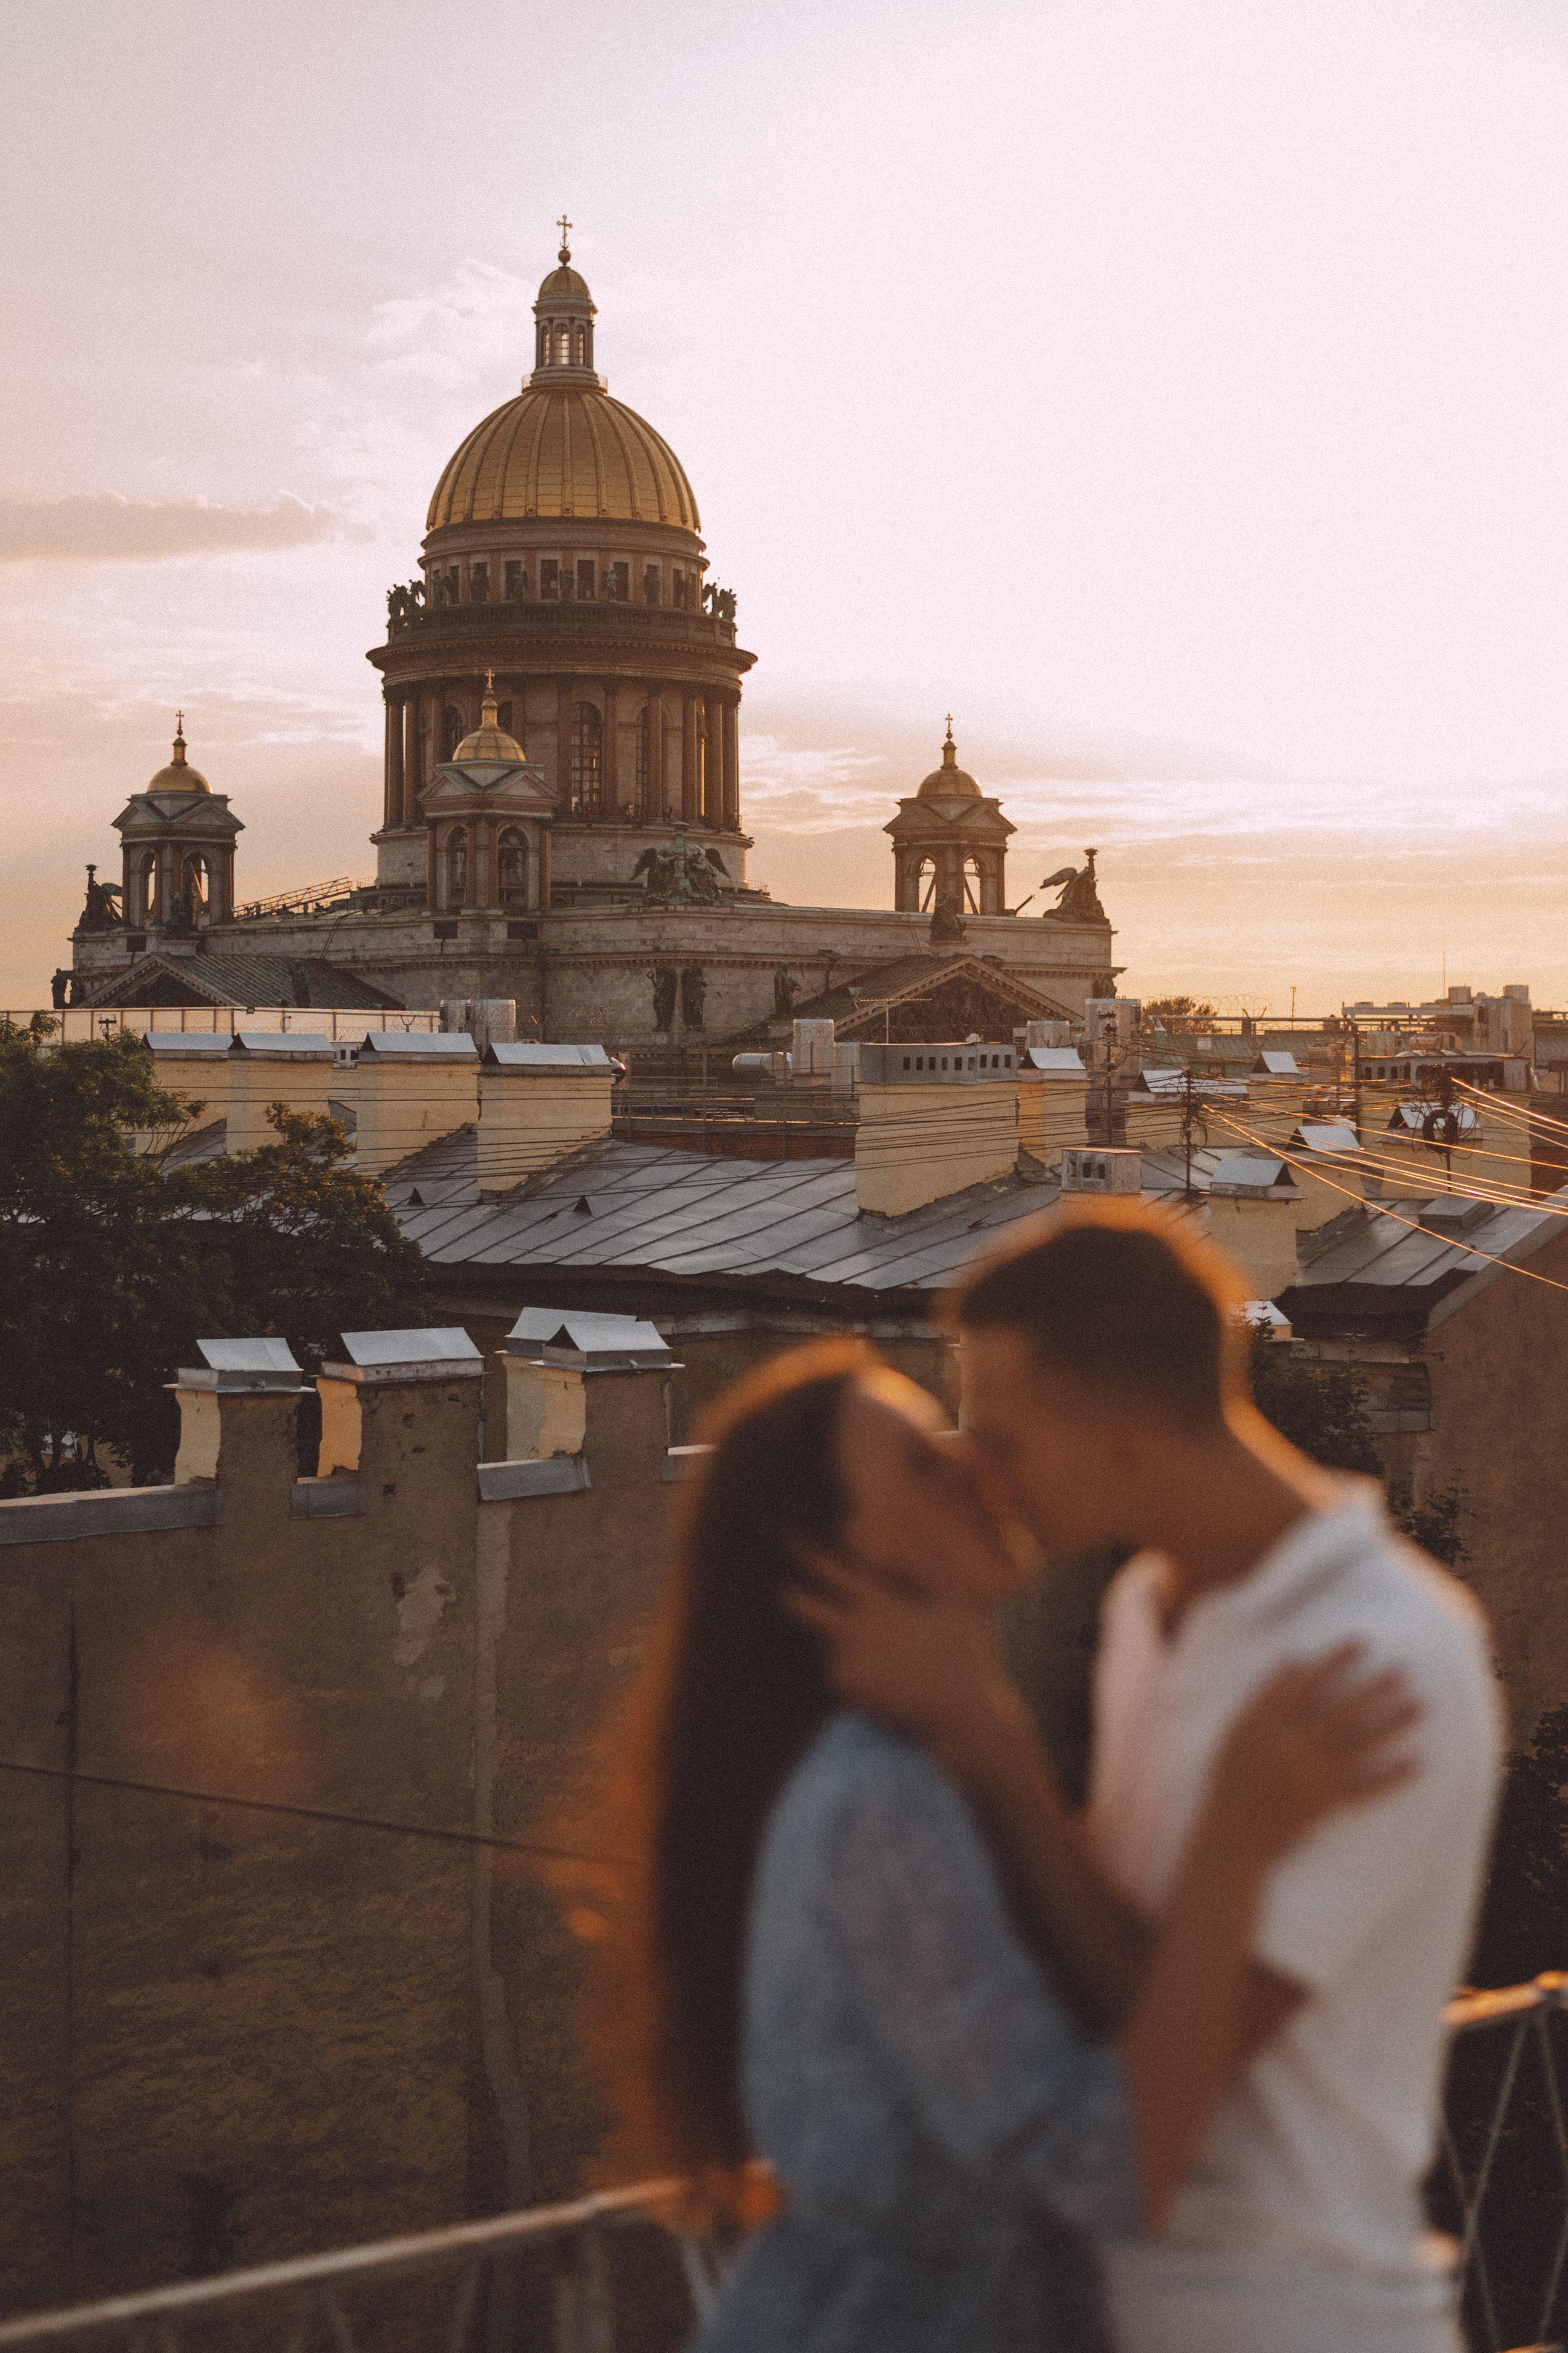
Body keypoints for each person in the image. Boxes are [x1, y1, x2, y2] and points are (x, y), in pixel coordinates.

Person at [595, 1337, 1420, 2353]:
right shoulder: (878, 1805)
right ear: (833, 1559)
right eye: (919, 1460)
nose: (969, 1463)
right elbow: (1102, 2167)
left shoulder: (901, 1770)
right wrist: (1235, 1842)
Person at [799, 1205, 1502, 2353]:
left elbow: (1173, 2070)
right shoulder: (1146, 1604)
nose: (978, 1473)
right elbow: (1127, 1964)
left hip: (1291, 2316)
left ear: (1125, 1438)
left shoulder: (1380, 1658)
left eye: (1005, 1439)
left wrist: (989, 1739)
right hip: (1113, 2304)